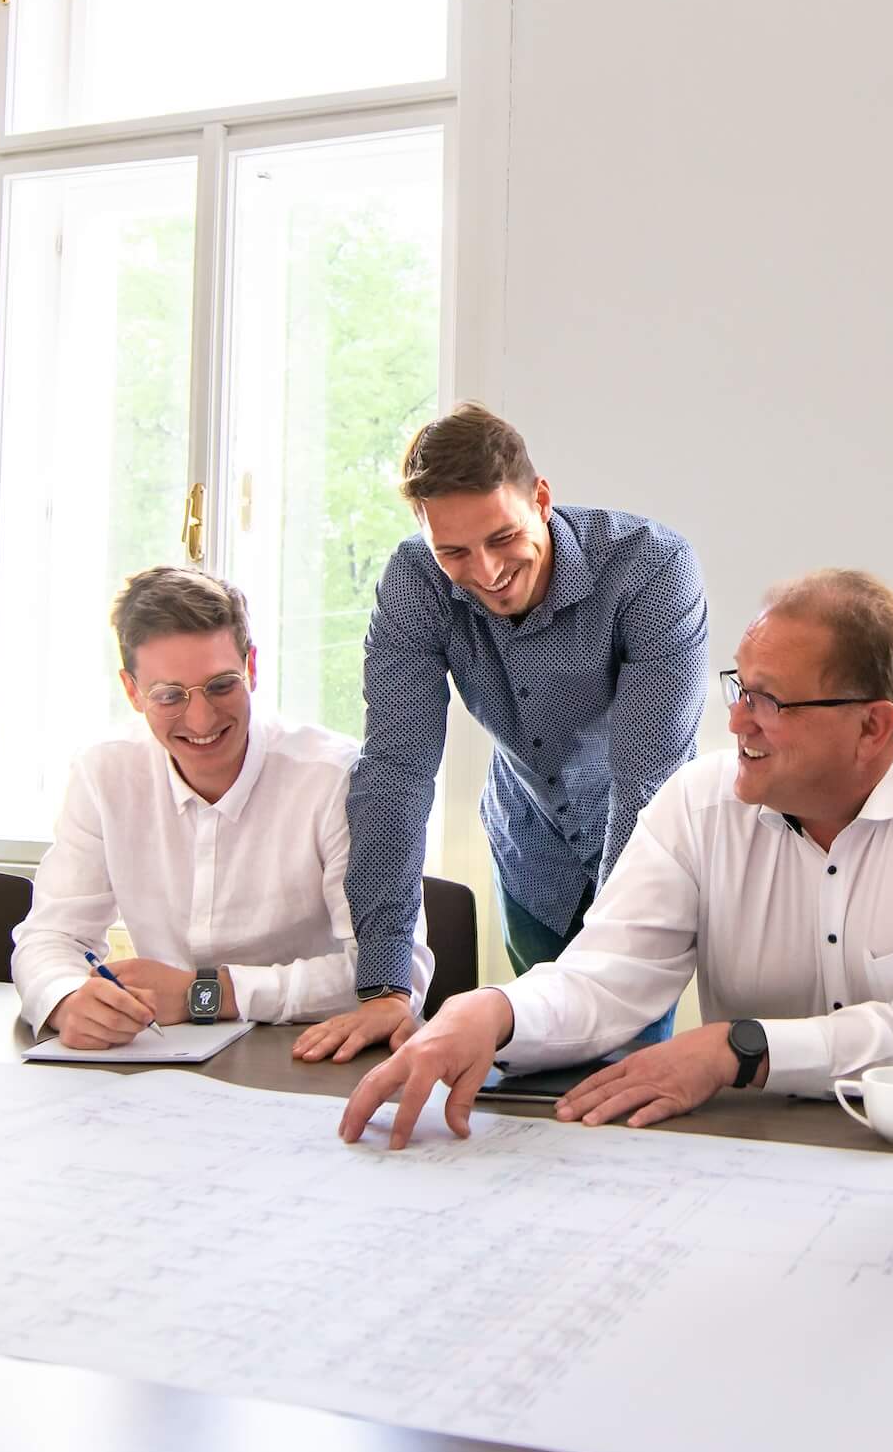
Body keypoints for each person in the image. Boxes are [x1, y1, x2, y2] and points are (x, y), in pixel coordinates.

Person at [337, 571, 893, 1148]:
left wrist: (739, 1049)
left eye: (769, 700)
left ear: (872, 726)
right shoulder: (699, 799)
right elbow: (609, 973)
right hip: (753, 1148)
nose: (738, 721)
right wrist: (493, 1011)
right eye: (740, 687)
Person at [295, 403, 708, 1064]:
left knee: (621, 1074)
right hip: (531, 853)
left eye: (501, 537)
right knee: (537, 1069)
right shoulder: (413, 582)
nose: (485, 571)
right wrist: (383, 984)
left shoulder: (653, 568)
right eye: (453, 550)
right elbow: (396, 773)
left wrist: (599, 977)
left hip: (644, 843)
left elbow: (645, 782)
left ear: (541, 498)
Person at [12, 567, 431, 1046]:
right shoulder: (103, 774)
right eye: (169, 695)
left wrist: (204, 994)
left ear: (251, 667)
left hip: (308, 1057)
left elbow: (396, 977)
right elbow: (50, 937)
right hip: (160, 1059)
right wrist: (66, 998)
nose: (201, 718)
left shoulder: (335, 779)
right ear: (132, 691)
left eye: (221, 685)